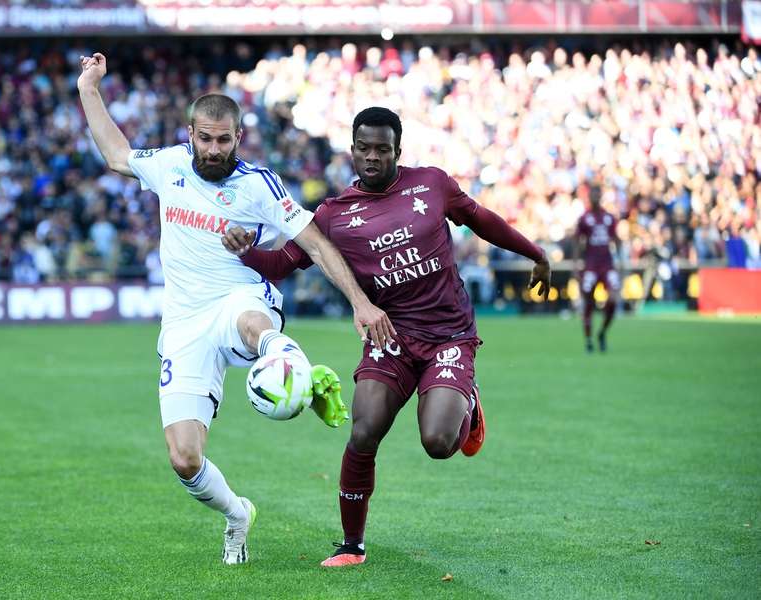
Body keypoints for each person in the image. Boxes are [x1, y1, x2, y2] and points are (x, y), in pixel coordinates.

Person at [76, 53, 394, 565]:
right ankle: (237, 515)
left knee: (252, 323)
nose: (215, 149)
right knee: (184, 459)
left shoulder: (257, 186)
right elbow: (115, 153)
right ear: (191, 134)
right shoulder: (169, 165)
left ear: (239, 139)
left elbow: (315, 243)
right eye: (206, 139)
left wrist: (359, 303)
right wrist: (89, 87)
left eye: (225, 140)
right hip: (184, 320)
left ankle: (294, 368)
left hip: (238, 299)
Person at [222, 107, 551, 567]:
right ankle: (352, 546)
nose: (372, 157)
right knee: (364, 430)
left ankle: (466, 402)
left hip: (448, 334)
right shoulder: (333, 215)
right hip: (389, 335)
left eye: (382, 149)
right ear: (352, 149)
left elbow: (480, 218)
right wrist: (246, 252)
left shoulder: (432, 184)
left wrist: (534, 253)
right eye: (364, 148)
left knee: (438, 442)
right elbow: (283, 265)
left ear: (398, 150)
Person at [573, 186, 619, 352]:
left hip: (607, 264)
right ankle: (588, 340)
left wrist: (619, 262)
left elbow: (616, 239)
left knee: (613, 298)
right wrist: (576, 265)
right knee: (588, 302)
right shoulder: (584, 218)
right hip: (591, 265)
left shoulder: (609, 218)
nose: (595, 197)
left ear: (601, 196)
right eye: (592, 194)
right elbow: (578, 243)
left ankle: (602, 332)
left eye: (597, 194)